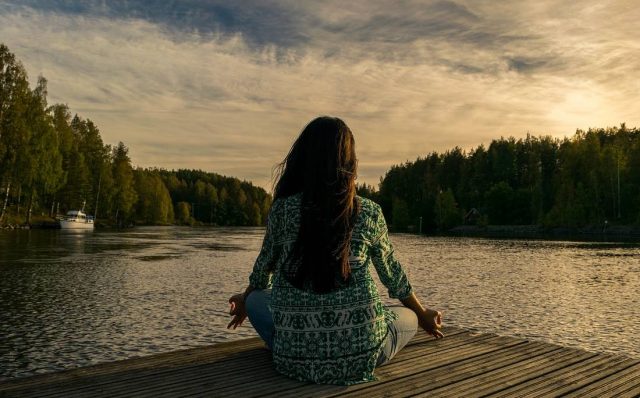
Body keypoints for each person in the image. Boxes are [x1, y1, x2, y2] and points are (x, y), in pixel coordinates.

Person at [227, 116, 443, 385]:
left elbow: (262, 271)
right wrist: (423, 315)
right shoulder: (369, 212)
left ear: (303, 159)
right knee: (407, 315)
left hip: (292, 360)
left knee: (257, 299)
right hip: (362, 355)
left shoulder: (282, 210)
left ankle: (295, 343)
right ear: (349, 162)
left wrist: (245, 299)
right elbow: (393, 277)